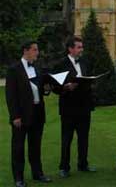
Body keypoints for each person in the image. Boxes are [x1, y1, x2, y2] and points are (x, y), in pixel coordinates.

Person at [5, 41, 52, 187]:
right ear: (26, 51)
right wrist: (15, 116)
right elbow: (10, 95)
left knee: (35, 146)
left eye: (37, 50)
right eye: (35, 50)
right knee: (18, 147)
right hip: (21, 115)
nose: (37, 52)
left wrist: (46, 89)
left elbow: (41, 89)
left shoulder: (38, 67)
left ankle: (38, 174)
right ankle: (18, 178)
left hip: (37, 112)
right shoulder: (14, 69)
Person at [53, 36, 95, 178]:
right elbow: (54, 87)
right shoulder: (60, 64)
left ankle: (83, 164)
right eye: (78, 47)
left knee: (84, 138)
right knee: (67, 139)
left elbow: (88, 79)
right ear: (70, 49)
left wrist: (91, 83)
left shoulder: (85, 62)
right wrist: (65, 87)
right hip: (69, 107)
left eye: (82, 47)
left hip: (84, 106)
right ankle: (64, 167)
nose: (81, 49)